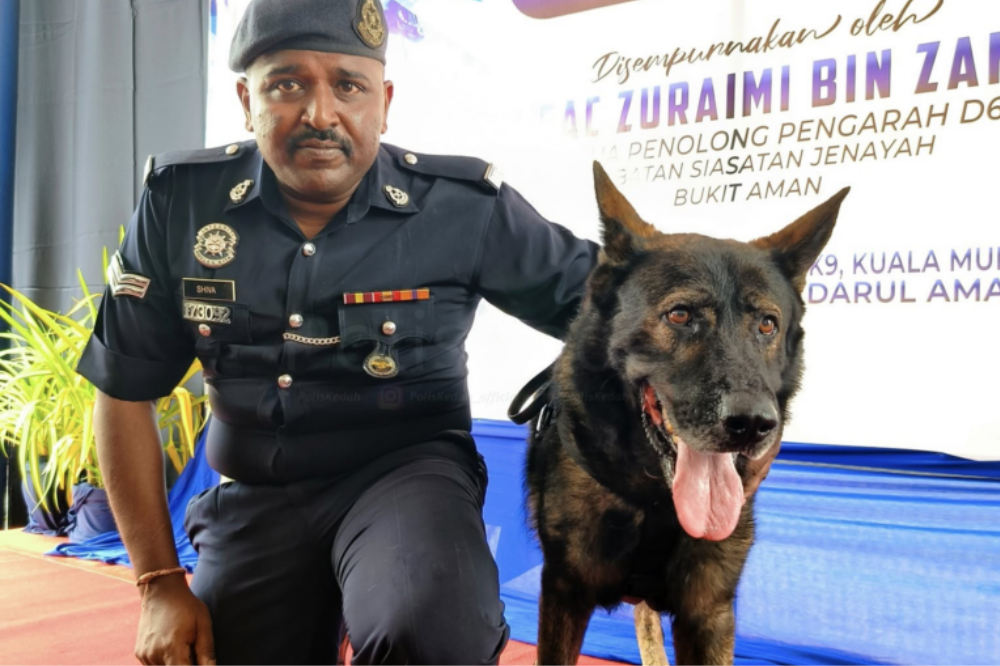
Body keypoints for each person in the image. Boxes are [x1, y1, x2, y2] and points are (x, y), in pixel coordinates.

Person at [76, 0, 780, 663]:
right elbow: (122, 390)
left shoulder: (461, 209)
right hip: (257, 492)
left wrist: (720, 413)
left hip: (406, 479)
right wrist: (159, 581)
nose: (321, 112)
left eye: (348, 86)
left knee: (429, 630)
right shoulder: (182, 205)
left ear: (383, 104)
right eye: (287, 84)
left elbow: (635, 307)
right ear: (246, 100)